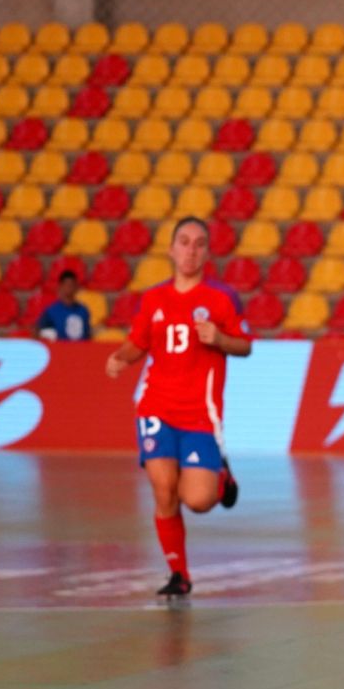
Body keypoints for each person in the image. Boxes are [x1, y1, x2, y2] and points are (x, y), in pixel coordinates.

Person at [104, 217, 250, 598]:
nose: (191, 250)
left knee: (198, 500)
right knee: (164, 490)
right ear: (171, 249)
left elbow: (245, 345)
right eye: (184, 242)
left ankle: (221, 477)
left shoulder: (221, 298)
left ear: (207, 253)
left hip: (200, 414)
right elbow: (139, 342)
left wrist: (220, 339)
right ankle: (178, 574)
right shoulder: (154, 298)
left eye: (199, 243)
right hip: (156, 408)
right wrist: (120, 358)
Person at [34, 269, 93, 341]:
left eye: (72, 285)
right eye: (67, 285)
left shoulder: (83, 310)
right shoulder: (52, 311)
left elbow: (87, 334)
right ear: (61, 286)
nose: (69, 288)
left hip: (81, 347)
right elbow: (37, 329)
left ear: (76, 287)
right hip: (60, 347)